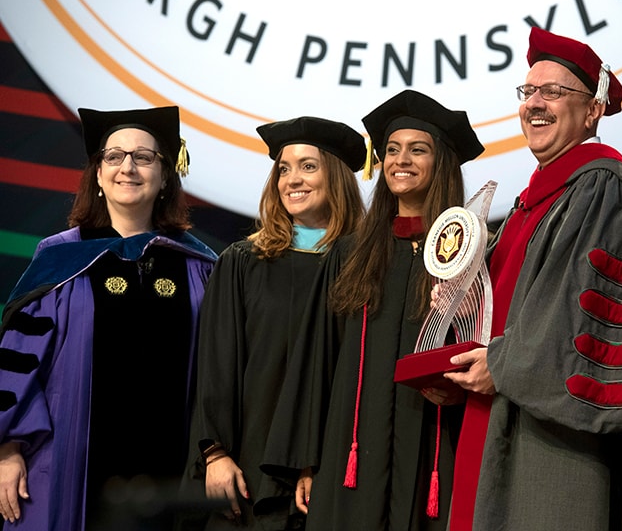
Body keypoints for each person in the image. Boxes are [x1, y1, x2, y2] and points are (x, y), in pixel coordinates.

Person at [445, 27, 622, 530]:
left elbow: (574, 315)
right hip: (497, 410)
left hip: (555, 437)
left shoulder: (602, 188)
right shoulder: (530, 203)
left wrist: (500, 362)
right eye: (528, 92)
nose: (535, 104)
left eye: (554, 92)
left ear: (593, 111)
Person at [0, 106, 217, 530]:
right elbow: (17, 363)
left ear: (166, 174)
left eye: (144, 157)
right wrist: (7, 449)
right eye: (114, 156)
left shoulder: (200, 265)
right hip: (70, 464)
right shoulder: (60, 260)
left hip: (171, 474)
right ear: (98, 174)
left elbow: (219, 373)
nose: (127, 167)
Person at [296, 89, 483, 531]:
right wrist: (306, 460)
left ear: (441, 164)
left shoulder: (470, 252)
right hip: (352, 450)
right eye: (392, 150)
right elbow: (319, 359)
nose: (401, 160)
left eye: (418, 150)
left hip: (436, 446)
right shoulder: (352, 252)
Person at [181, 116, 366, 529]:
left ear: (335, 176)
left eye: (308, 166)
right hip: (247, 466)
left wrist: (321, 462)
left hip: (327, 471)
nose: (292, 179)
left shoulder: (362, 268)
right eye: (283, 168)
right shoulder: (243, 262)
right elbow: (217, 367)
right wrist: (215, 453)